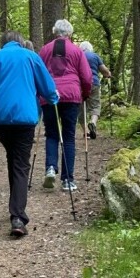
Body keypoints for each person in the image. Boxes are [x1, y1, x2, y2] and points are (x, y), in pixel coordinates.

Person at [0, 31, 58, 236]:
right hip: (25, 117)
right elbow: (47, 86)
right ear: (21, 42)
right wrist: (53, 98)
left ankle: (15, 207)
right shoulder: (31, 57)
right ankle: (18, 216)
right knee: (21, 163)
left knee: (13, 158)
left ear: (3, 43)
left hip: (0, 119)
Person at [39, 19, 93, 192]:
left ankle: (50, 168)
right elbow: (86, 77)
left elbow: (39, 73)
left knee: (52, 134)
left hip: (50, 95)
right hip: (71, 95)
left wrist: (40, 93)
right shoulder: (77, 51)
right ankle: (67, 180)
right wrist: (85, 93)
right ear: (69, 33)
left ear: (55, 32)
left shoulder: (45, 50)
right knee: (68, 137)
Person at [79, 41, 112, 139]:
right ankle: (93, 122)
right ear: (90, 48)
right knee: (95, 105)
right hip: (93, 83)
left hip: (79, 84)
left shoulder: (78, 55)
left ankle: (86, 132)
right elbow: (104, 70)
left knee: (80, 109)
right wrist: (108, 74)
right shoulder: (95, 56)